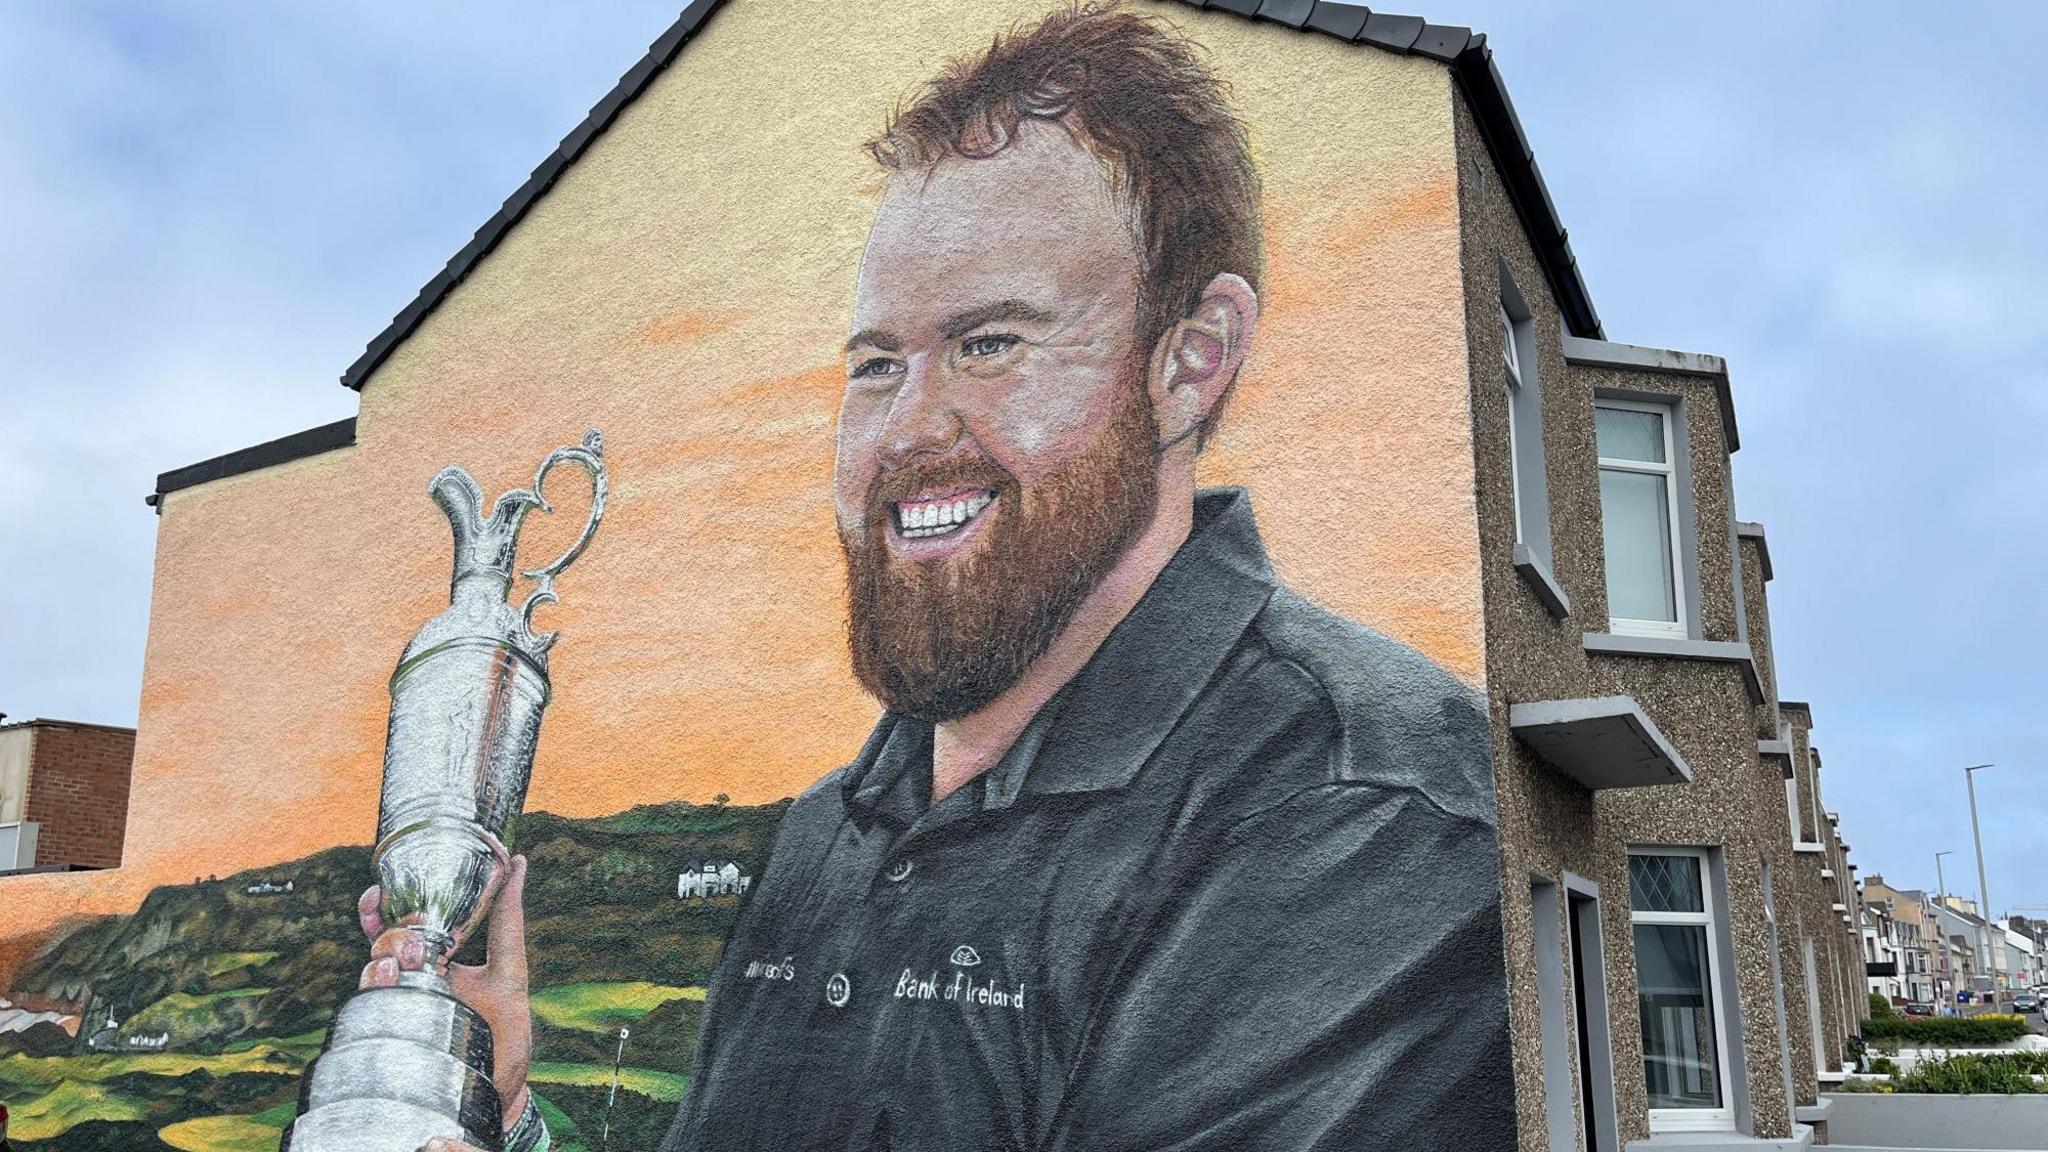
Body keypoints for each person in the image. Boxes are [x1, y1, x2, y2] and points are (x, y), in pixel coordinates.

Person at [386, 5, 1513, 1149]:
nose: (907, 429)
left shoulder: (1355, 814)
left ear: (1190, 361)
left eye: (989, 344)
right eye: (878, 364)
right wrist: (505, 1114)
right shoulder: (837, 828)